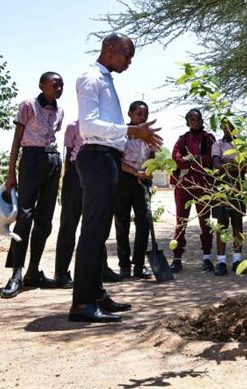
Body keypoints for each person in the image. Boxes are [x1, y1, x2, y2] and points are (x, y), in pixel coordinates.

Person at [70, 33, 162, 323]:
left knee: (99, 232)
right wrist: (132, 130)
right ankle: (83, 304)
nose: (129, 61)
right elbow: (89, 125)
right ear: (109, 50)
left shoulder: (106, 79)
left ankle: (96, 295)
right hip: (96, 156)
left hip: (107, 158)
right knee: (93, 232)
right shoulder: (90, 78)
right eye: (126, 55)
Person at [1, 72, 65, 298]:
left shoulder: (60, 110)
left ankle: (33, 272)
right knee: (24, 216)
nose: (59, 88)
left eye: (61, 85)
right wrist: (11, 173)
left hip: (53, 161)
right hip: (31, 159)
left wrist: (57, 164)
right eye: (54, 84)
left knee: (45, 219)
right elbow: (17, 139)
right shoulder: (28, 105)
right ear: (42, 85)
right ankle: (16, 273)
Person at [54, 120, 118, 288]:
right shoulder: (73, 126)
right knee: (69, 223)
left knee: (96, 223)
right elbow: (68, 154)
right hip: (76, 171)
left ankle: (101, 268)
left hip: (97, 171)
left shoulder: (105, 126)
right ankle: (61, 272)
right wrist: (69, 178)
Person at [170, 109, 217, 273]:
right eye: (191, 119)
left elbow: (213, 157)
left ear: (202, 120)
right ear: (187, 122)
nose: (194, 122)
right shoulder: (183, 139)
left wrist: (194, 159)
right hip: (184, 184)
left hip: (203, 184)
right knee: (181, 221)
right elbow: (176, 159)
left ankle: (206, 257)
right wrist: (194, 161)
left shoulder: (208, 138)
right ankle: (177, 258)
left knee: (205, 221)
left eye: (197, 119)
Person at [115, 101, 153, 279]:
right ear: (130, 114)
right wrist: (135, 172)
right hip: (123, 181)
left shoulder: (148, 136)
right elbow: (118, 161)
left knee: (144, 223)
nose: (142, 117)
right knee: (122, 224)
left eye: (145, 114)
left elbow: (151, 156)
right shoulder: (123, 133)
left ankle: (139, 265)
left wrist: (148, 171)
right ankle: (124, 265)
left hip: (141, 183)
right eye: (139, 114)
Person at [210, 119, 245, 276]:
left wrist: (227, 163)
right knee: (222, 224)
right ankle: (221, 262)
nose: (228, 128)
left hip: (238, 186)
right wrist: (234, 164)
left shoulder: (243, 145)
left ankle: (237, 260)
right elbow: (216, 164)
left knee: (237, 223)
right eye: (225, 126)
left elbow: (245, 165)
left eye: (231, 126)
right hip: (221, 186)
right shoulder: (217, 144)